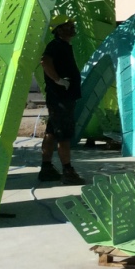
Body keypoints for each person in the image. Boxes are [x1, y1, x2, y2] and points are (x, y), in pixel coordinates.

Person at [38, 15, 86, 185]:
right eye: (68, 26)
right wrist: (58, 80)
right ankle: (68, 171)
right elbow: (45, 61)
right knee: (64, 135)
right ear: (58, 30)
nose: (72, 28)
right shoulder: (56, 46)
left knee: (51, 132)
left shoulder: (63, 46)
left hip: (62, 97)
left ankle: (47, 168)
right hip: (61, 99)